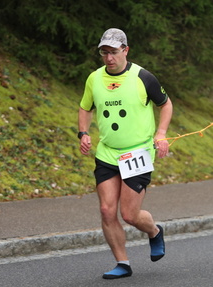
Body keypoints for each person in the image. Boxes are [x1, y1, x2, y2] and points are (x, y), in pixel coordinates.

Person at [78, 28, 173, 279]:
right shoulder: (94, 78)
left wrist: (161, 134)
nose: (109, 57)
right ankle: (123, 263)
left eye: (114, 52)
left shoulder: (143, 77)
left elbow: (165, 104)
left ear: (126, 51)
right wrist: (83, 133)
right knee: (107, 211)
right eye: (104, 52)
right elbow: (85, 107)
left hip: (137, 153)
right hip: (107, 153)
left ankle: (154, 231)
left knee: (129, 215)